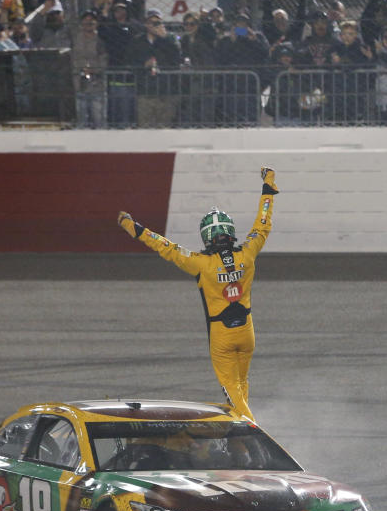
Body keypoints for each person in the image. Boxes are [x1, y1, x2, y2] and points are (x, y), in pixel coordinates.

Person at [116, 168, 279, 419]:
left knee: (232, 392)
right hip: (247, 331)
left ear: (206, 237)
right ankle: (243, 440)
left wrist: (134, 228)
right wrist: (268, 185)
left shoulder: (199, 263)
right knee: (242, 385)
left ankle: (255, 433)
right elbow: (263, 223)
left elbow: (166, 247)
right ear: (231, 230)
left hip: (221, 336)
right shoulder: (248, 252)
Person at [126, 8, 181, 128]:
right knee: (145, 126)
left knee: (165, 126)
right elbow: (130, 61)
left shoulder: (170, 39)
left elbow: (177, 59)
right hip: (145, 89)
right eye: (151, 22)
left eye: (157, 22)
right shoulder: (138, 41)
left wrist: (165, 38)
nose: (154, 25)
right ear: (146, 24)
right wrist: (143, 65)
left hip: (165, 89)